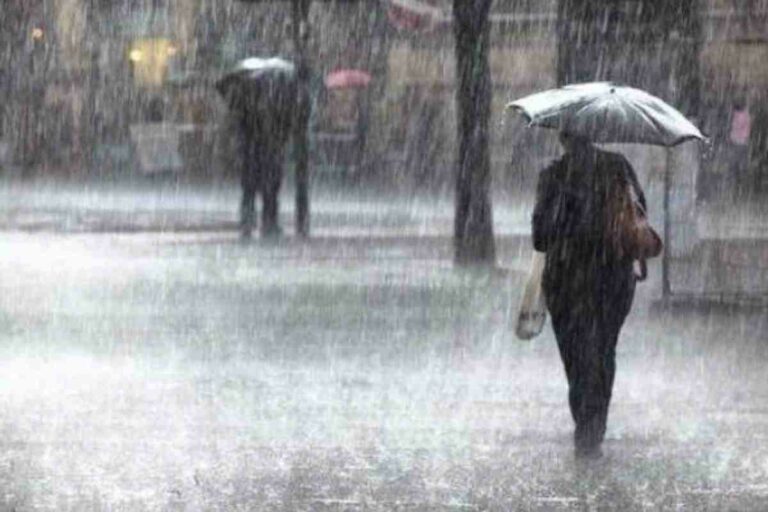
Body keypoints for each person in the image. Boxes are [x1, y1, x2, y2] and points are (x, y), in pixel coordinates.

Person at [532, 131, 647, 458]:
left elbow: (539, 239)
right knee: (604, 350)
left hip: (566, 281)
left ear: (563, 137)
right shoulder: (619, 167)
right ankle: (594, 425)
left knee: (576, 357)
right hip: (613, 278)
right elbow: (640, 214)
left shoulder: (553, 176)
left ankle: (586, 421)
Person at [232, 71, 296, 239]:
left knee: (251, 191)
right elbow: (282, 129)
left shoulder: (245, 106)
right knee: (268, 191)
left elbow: (240, 131)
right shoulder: (274, 106)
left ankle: (249, 222)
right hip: (266, 155)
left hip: (253, 155)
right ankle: (268, 223)